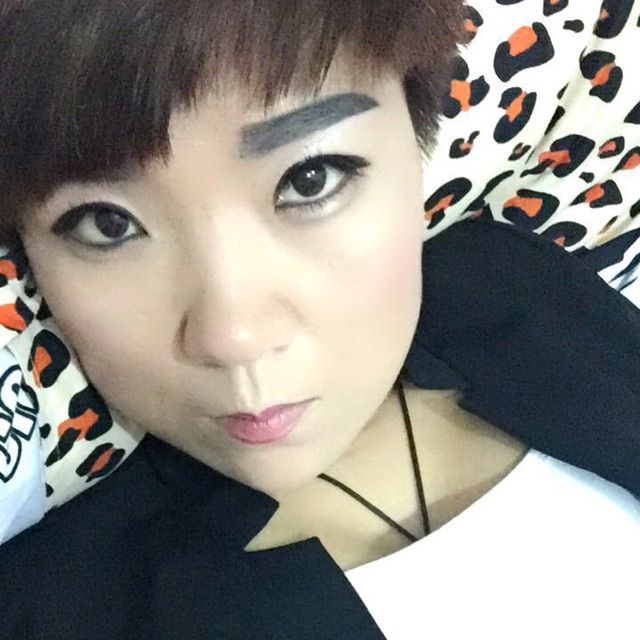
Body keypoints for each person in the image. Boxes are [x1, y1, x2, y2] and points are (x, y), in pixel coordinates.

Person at [0, 1, 639, 638]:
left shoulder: (509, 280)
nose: (234, 338)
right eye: (106, 224)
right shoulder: (53, 609)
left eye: (310, 179)